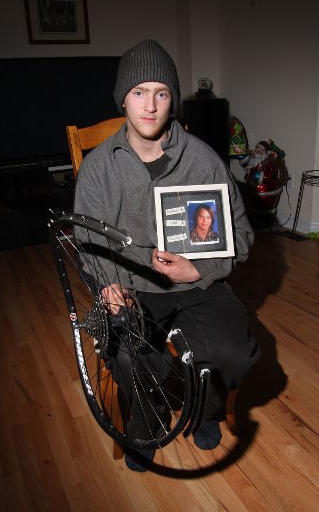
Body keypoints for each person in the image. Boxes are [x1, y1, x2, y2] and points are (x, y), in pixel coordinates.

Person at [74, 39, 260, 471]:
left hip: (197, 282)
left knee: (233, 351)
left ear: (173, 99)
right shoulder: (100, 167)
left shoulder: (204, 159)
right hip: (134, 289)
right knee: (123, 350)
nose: (150, 106)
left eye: (161, 93)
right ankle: (150, 415)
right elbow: (87, 243)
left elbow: (243, 233)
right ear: (123, 98)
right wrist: (108, 286)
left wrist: (202, 267)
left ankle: (206, 410)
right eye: (139, 92)